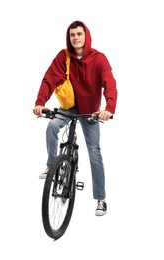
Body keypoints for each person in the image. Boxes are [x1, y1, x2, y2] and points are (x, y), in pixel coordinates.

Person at [33, 20, 117, 216]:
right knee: (53, 125)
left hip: (90, 111)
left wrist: (109, 108)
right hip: (69, 107)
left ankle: (101, 199)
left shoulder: (99, 59)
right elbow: (49, 79)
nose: (76, 38)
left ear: (86, 36)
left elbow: (110, 84)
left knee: (94, 153)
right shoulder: (63, 56)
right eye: (72, 35)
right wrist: (40, 102)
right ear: (68, 38)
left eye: (79, 34)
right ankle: (51, 166)